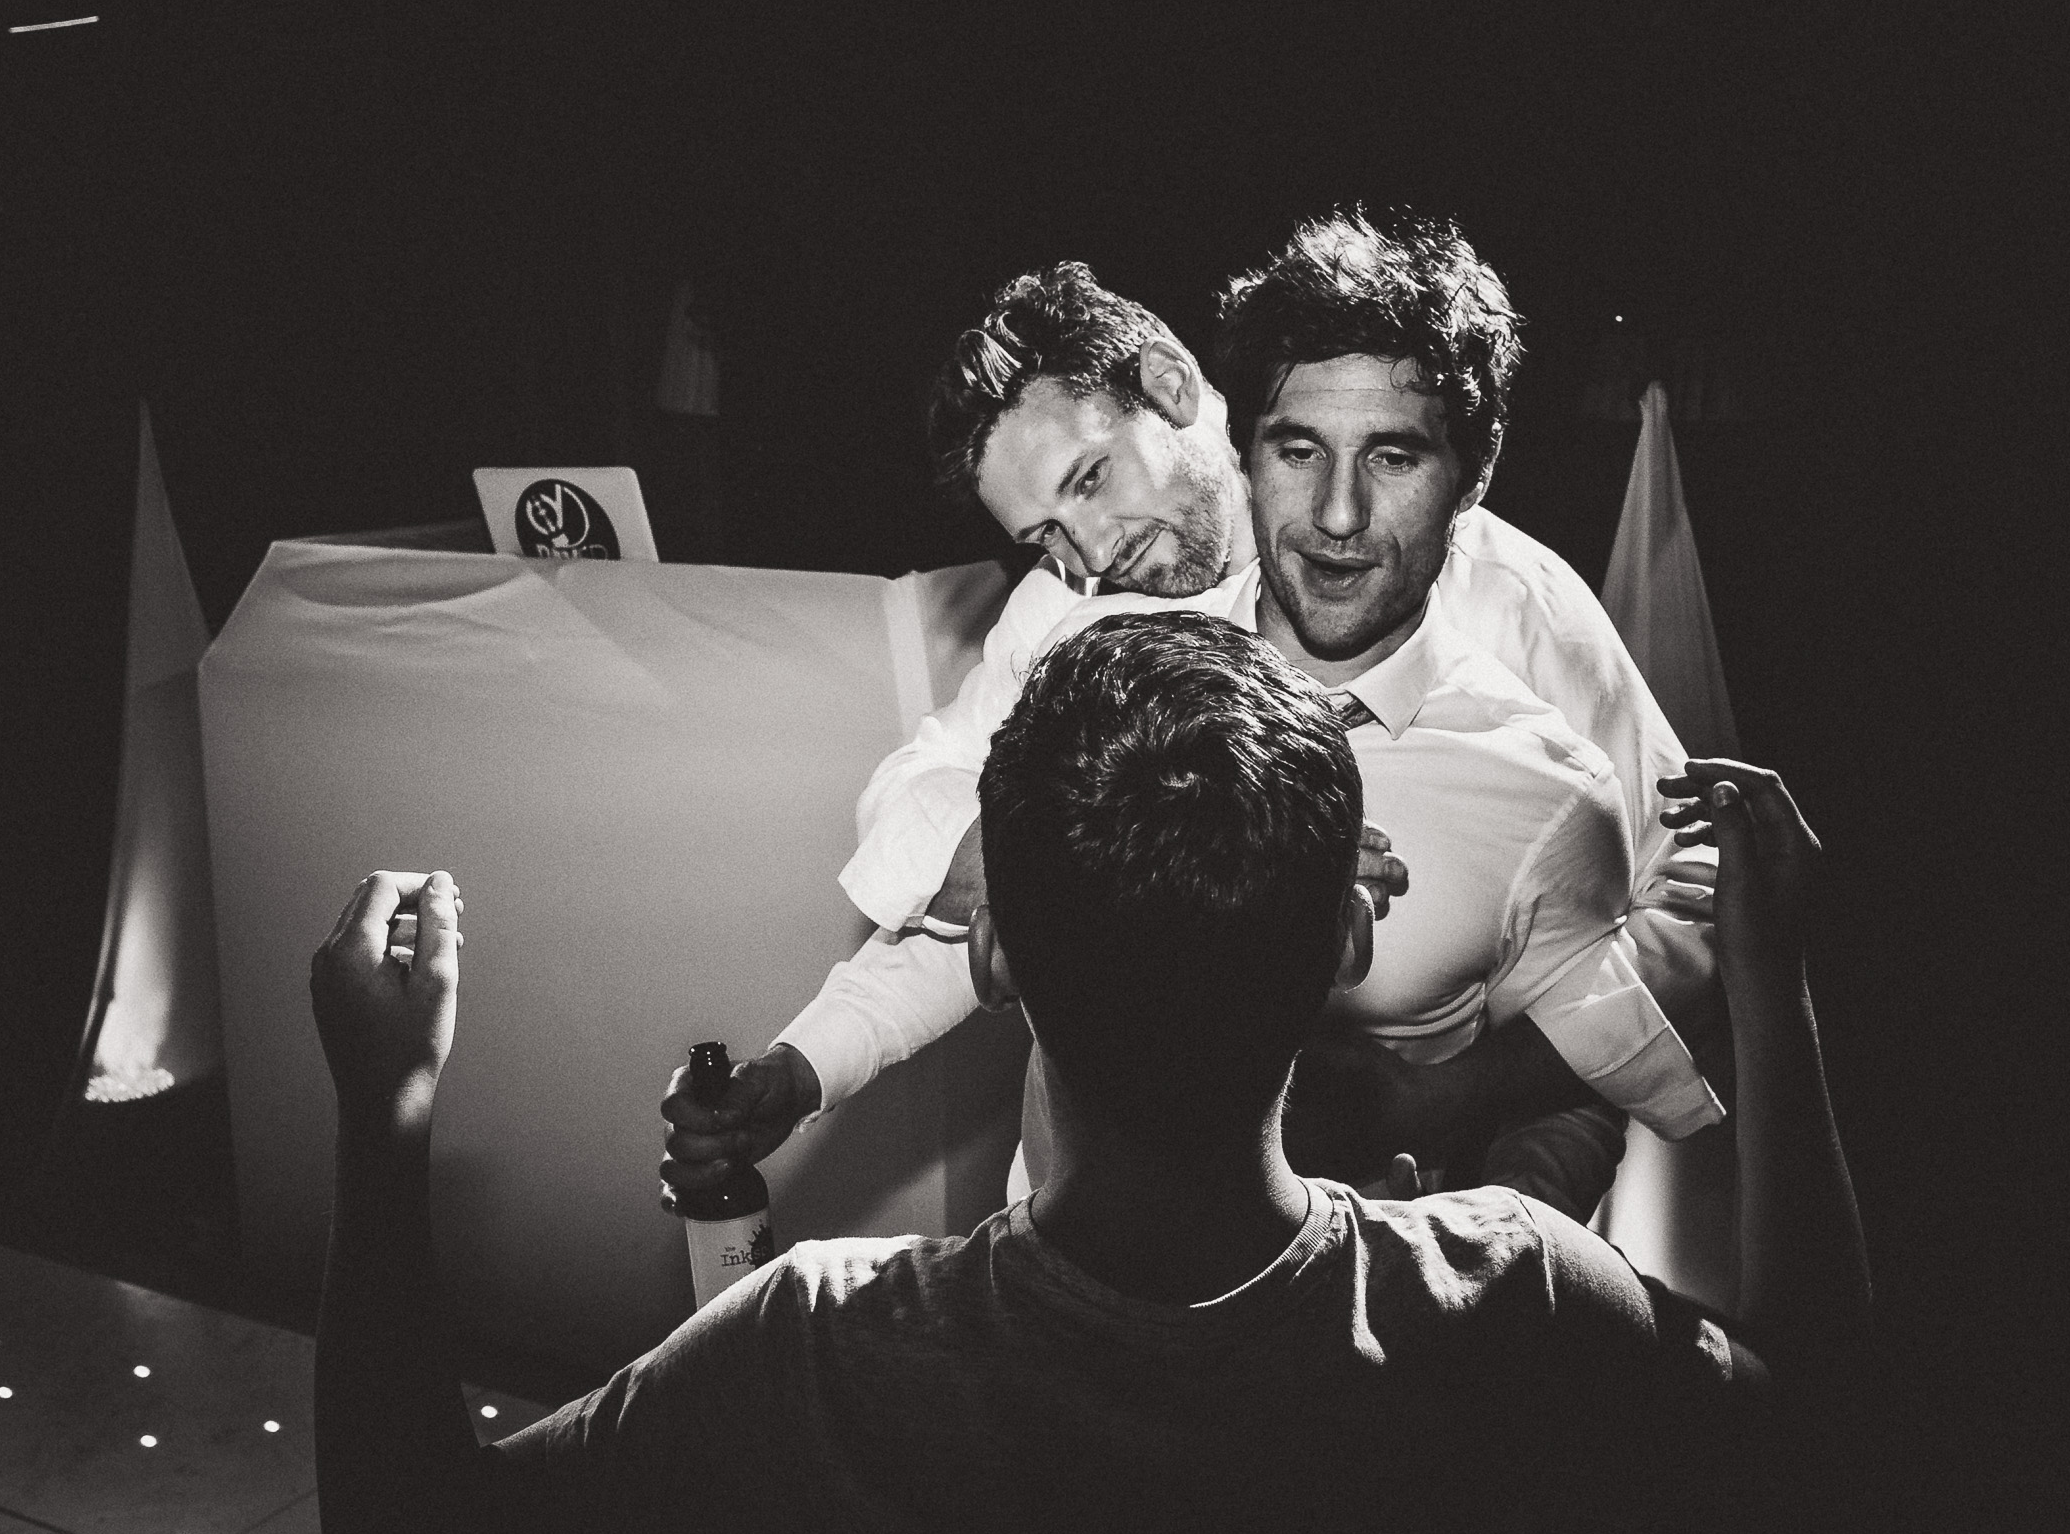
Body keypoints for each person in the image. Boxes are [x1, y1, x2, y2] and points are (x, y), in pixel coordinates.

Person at [311, 613, 1868, 1534]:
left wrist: (385, 1114)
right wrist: (1770, 977)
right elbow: (1813, 1436)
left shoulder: (824, 1357)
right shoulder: (1500, 1296)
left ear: (992, 953)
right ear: (1348, 938)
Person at [672, 212, 1723, 1217]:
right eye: (1044, 534)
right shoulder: (1081, 623)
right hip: (1075, 1249)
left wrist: (1475, 1157)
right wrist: (807, 1062)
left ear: (1177, 393)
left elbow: (1663, 900)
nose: (1086, 553)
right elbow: (931, 832)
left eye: (1091, 479)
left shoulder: (1513, 621)